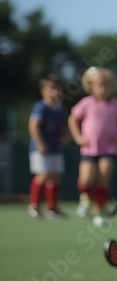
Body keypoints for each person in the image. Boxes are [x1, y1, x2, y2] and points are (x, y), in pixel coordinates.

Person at [68, 67, 117, 228]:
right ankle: (86, 199)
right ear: (92, 86)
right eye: (99, 85)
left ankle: (99, 212)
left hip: (108, 149)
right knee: (86, 180)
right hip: (89, 149)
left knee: (103, 178)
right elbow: (73, 119)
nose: (103, 89)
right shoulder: (87, 103)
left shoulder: (115, 104)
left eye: (106, 85)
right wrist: (78, 137)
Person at [27, 74, 69, 219]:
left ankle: (53, 208)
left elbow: (63, 128)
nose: (55, 92)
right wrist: (39, 143)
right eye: (52, 89)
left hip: (55, 148)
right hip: (41, 149)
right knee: (43, 175)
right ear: (43, 90)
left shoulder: (60, 109)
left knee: (55, 177)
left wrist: (66, 136)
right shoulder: (40, 107)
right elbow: (33, 126)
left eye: (58, 89)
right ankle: (34, 206)